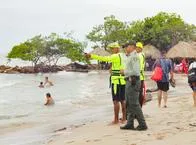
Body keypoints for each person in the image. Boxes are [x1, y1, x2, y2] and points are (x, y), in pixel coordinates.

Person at [85, 42, 126, 124]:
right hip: (123, 80)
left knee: (116, 101)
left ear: (116, 48)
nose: (111, 50)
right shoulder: (123, 55)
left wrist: (91, 56)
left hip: (116, 81)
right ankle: (124, 118)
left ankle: (116, 120)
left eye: (112, 48)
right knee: (123, 100)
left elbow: (104, 58)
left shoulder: (115, 56)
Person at [120, 42, 147, 131]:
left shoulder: (134, 57)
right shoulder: (131, 56)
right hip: (129, 81)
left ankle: (142, 124)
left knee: (134, 103)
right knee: (129, 103)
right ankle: (130, 123)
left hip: (133, 81)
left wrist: (125, 72)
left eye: (126, 47)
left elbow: (136, 71)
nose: (125, 49)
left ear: (131, 47)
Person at [136, 42, 146, 107]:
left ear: (140, 48)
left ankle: (139, 109)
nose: (136, 49)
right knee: (140, 93)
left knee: (138, 94)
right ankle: (140, 108)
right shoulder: (142, 55)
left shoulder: (139, 55)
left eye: (137, 47)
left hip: (139, 77)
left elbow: (138, 67)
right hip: (141, 77)